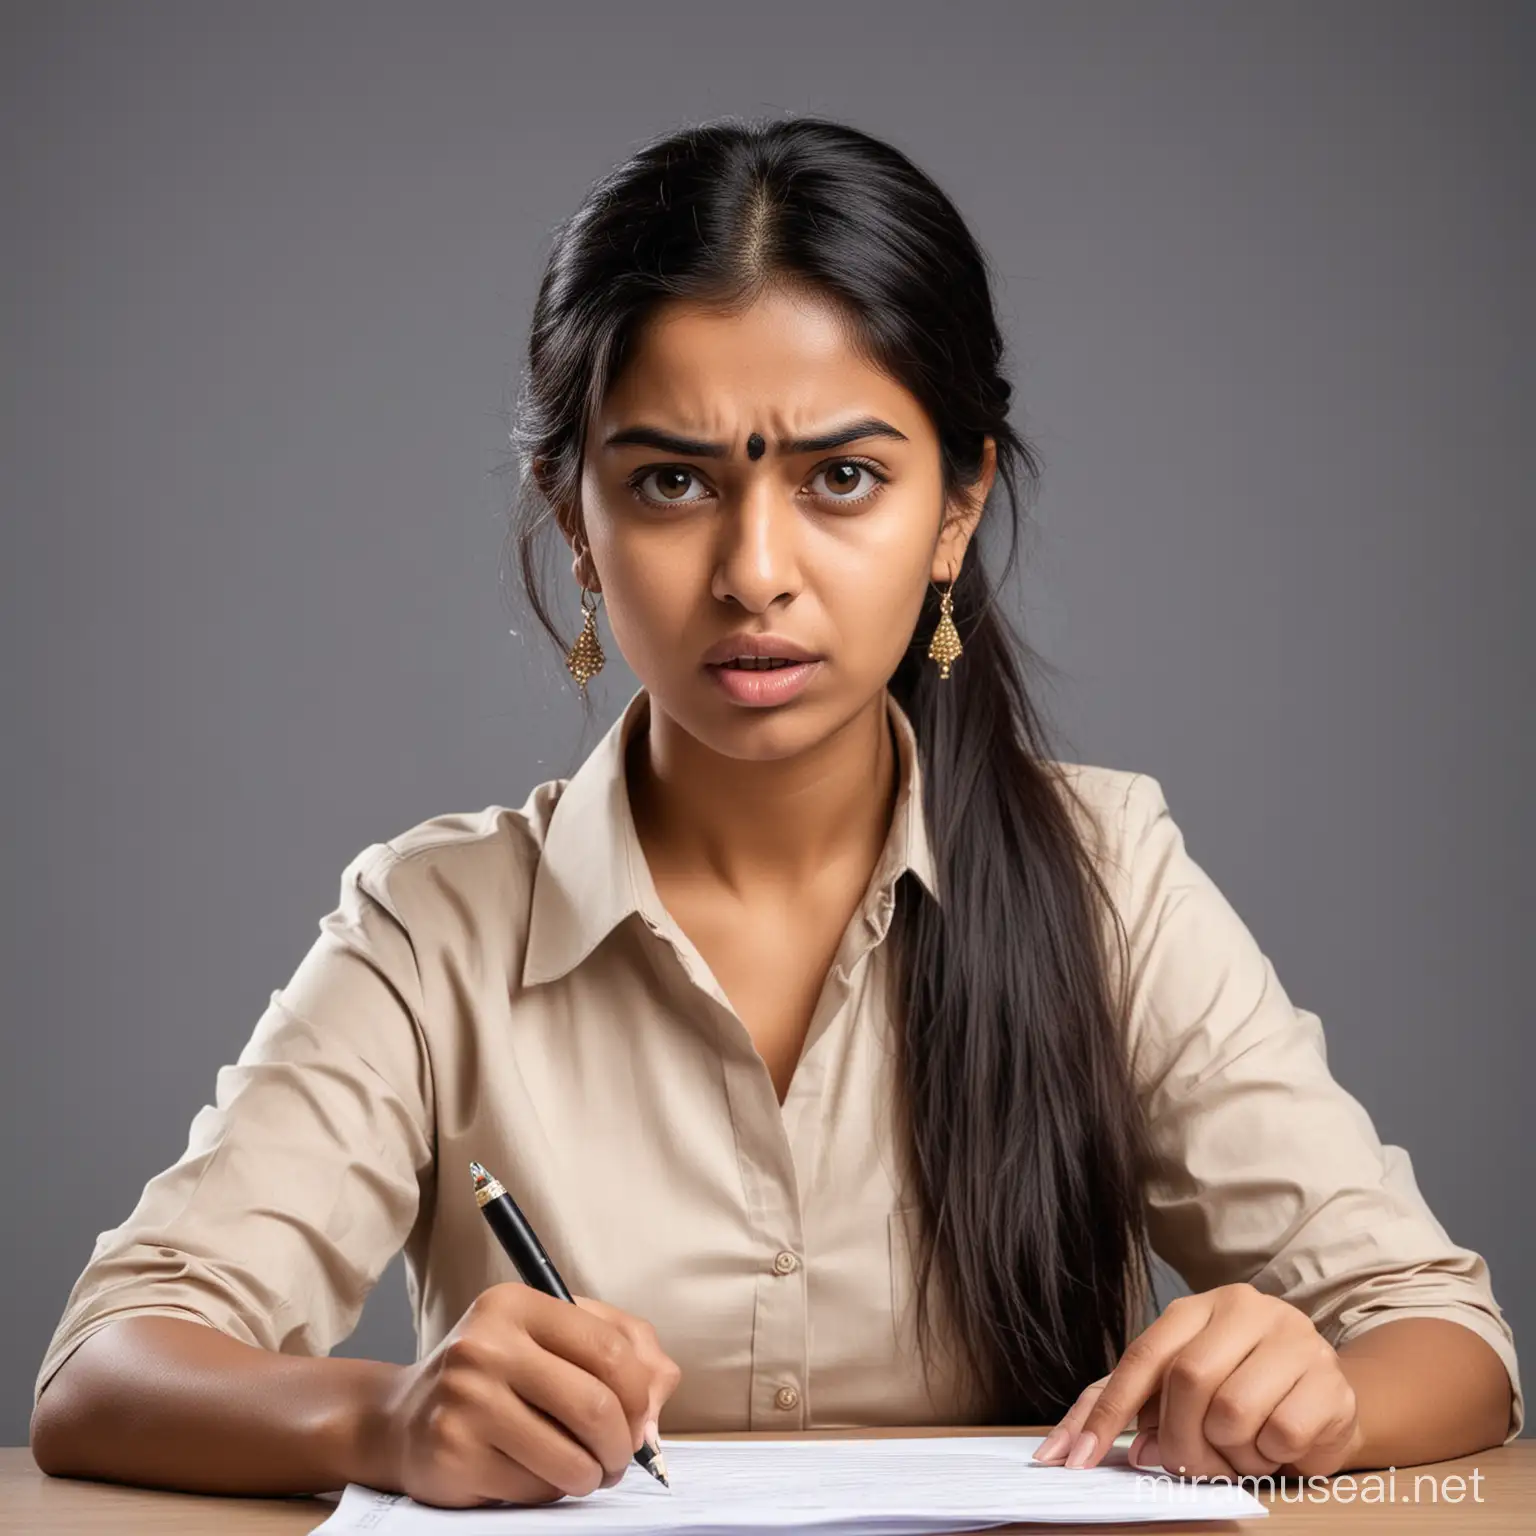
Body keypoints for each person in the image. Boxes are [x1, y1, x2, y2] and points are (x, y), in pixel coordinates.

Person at [30, 114, 1520, 1508]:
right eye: (672, 482)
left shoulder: (1102, 876)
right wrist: (385, 1417)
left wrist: (1312, 1393)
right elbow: (105, 1367)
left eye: (844, 479)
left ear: (956, 508)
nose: (755, 570)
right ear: (576, 522)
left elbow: (1447, 1341)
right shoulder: (439, 926)